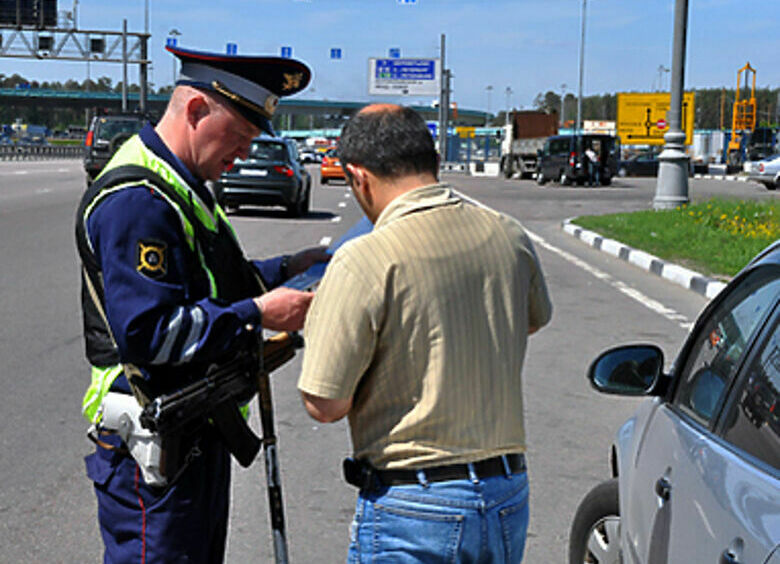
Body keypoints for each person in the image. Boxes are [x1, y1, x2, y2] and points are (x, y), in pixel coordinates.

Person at [75, 45, 327, 563]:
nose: (242, 154)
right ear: (195, 111)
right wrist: (259, 313)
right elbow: (150, 332)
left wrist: (289, 267)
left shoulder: (186, 187)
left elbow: (216, 284)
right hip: (155, 453)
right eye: (238, 137)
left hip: (193, 435)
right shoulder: (139, 201)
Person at [297, 104, 552, 562]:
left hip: (416, 504)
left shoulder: (365, 258)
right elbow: (530, 319)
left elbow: (325, 404)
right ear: (431, 162)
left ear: (358, 177)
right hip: (505, 494)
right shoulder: (508, 235)